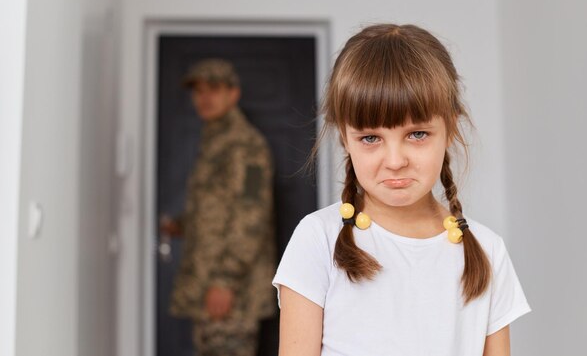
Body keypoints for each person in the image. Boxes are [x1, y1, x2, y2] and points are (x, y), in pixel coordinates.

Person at [272, 24, 531, 356]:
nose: (395, 161)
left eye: (417, 134)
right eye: (370, 138)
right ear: (345, 139)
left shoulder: (487, 251)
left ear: (450, 128)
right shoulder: (318, 239)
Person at [162, 58, 276, 356]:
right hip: (207, 284)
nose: (204, 98)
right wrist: (181, 225)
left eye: (213, 89)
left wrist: (225, 281)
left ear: (233, 94)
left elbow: (252, 215)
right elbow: (218, 208)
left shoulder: (245, 145)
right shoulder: (215, 141)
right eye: (198, 91)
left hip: (233, 293)